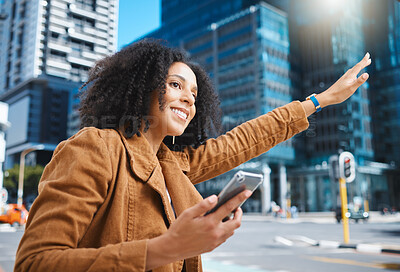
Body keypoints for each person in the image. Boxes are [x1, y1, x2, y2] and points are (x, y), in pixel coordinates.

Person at [14, 39, 371, 272]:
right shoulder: (95, 147)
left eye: (194, 93)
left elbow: (244, 139)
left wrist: (320, 100)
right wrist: (163, 249)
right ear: (141, 86)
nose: (188, 98)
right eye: (175, 85)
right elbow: (35, 263)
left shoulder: (175, 163)